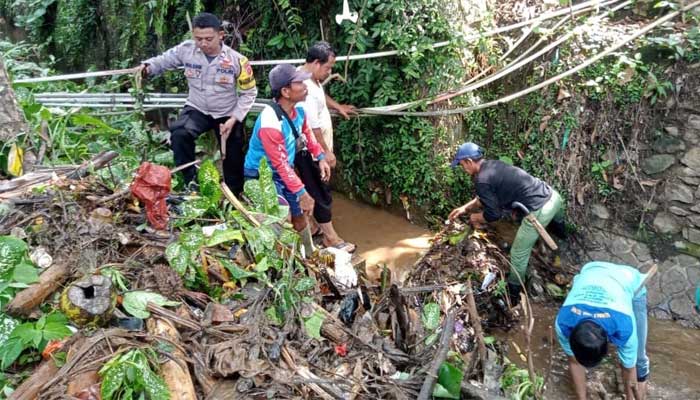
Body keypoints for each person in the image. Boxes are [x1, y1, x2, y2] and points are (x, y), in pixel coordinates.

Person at [138, 12, 257, 194]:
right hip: (198, 108)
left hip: (227, 112)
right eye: (198, 39)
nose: (203, 44)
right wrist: (147, 68)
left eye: (208, 39)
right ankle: (190, 183)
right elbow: (164, 60)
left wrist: (235, 118)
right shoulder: (186, 50)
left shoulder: (237, 61)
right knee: (179, 134)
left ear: (220, 36)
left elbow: (249, 93)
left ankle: (235, 194)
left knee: (233, 155)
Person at [447, 142, 564, 300]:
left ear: (468, 161)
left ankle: (514, 292)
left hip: (539, 210)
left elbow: (493, 214)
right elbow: (485, 198)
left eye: (462, 165)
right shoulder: (492, 165)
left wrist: (476, 217)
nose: (463, 169)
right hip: (554, 197)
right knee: (558, 225)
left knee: (518, 253)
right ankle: (563, 238)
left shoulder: (481, 180)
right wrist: (464, 208)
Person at [243, 64, 330, 237]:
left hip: (284, 171)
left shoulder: (299, 110)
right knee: (281, 218)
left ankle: (306, 254)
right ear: (285, 91)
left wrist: (320, 156)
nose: (305, 86)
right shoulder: (270, 122)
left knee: (300, 216)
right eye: (300, 82)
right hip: (262, 174)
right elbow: (280, 163)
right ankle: (285, 255)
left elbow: (306, 133)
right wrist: (302, 193)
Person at [556, 261, 650, 400]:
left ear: (607, 340)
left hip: (629, 281)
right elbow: (574, 362)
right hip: (591, 271)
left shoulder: (624, 327)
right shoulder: (563, 323)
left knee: (638, 358)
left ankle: (642, 385)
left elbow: (629, 370)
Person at [297, 41, 357, 253]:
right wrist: (325, 152)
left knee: (312, 189)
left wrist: (337, 106)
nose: (330, 72)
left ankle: (312, 227)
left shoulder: (308, 79)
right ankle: (331, 238)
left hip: (313, 150)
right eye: (328, 67)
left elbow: (320, 96)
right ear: (315, 63)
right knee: (321, 192)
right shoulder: (303, 88)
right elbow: (312, 128)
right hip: (311, 151)